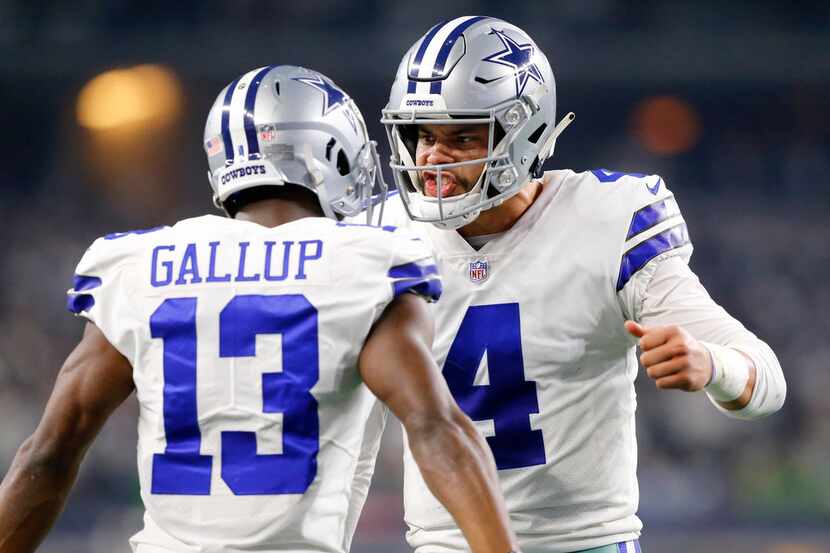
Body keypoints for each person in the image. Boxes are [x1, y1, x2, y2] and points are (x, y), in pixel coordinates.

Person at [0, 65, 520, 553]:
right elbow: (436, 429)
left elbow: (46, 457)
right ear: (334, 155)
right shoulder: (363, 264)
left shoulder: (138, 265)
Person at [379, 16, 787, 553]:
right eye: (423, 135)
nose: (432, 156)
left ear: (521, 133)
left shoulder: (606, 220)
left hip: (585, 543)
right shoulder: (382, 235)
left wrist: (712, 366)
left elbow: (768, 380)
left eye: (461, 136)